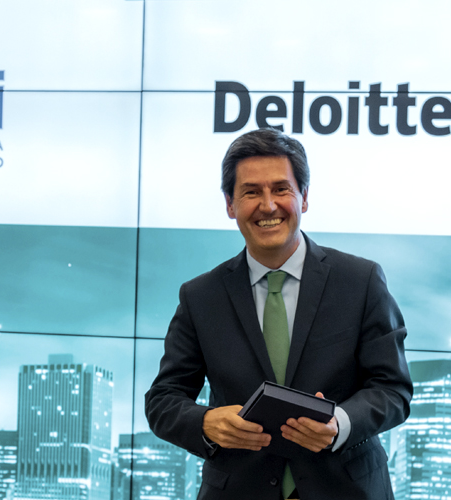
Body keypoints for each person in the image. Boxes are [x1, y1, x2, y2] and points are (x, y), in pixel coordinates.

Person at [145, 128, 412, 500]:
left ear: (304, 197)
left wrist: (340, 423)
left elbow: (392, 389)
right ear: (230, 204)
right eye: (251, 192)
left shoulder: (360, 280)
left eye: (281, 189)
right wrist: (205, 422)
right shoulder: (200, 297)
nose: (268, 206)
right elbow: (163, 400)